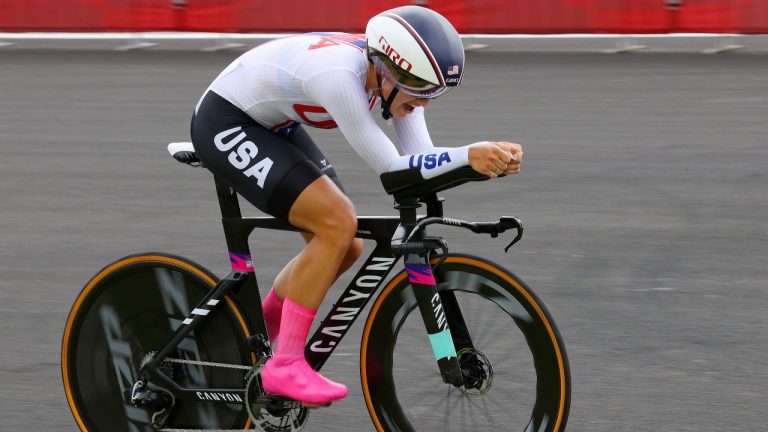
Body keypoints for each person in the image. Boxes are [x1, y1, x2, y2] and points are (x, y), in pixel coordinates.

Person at [189, 5, 523, 406]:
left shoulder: (390, 80)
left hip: (273, 124)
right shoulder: (338, 77)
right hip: (226, 121)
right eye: (419, 88)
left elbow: (420, 161)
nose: (423, 102)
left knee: (347, 246)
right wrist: (469, 155)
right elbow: (394, 170)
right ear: (384, 68)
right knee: (336, 224)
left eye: (433, 91)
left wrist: (483, 165)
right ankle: (285, 365)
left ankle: (254, 336)